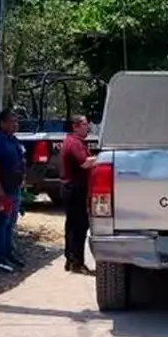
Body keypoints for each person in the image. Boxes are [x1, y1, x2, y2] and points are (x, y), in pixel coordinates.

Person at [0, 109, 26, 272]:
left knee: (10, 223)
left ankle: (8, 253)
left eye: (17, 122)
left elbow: (20, 160)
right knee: (1, 223)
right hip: (3, 190)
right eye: (12, 121)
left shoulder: (13, 140)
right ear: (2, 123)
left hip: (14, 188)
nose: (15, 125)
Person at [60, 115, 97, 274]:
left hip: (72, 188)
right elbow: (84, 163)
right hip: (75, 189)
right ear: (75, 126)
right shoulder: (74, 143)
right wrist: (102, 158)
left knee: (72, 226)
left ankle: (70, 260)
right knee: (79, 226)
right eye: (84, 124)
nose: (87, 127)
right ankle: (76, 262)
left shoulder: (74, 141)